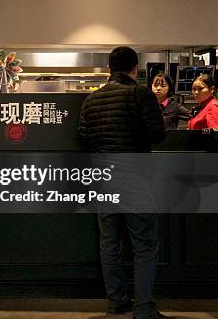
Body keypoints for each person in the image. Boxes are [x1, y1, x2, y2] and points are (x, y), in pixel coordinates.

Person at [78, 47, 174, 319]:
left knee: (110, 243)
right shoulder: (139, 94)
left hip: (104, 180)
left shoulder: (91, 99)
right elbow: (158, 134)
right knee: (144, 244)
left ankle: (116, 302)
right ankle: (143, 308)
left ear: (110, 68)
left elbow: (83, 138)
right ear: (135, 68)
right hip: (134, 178)